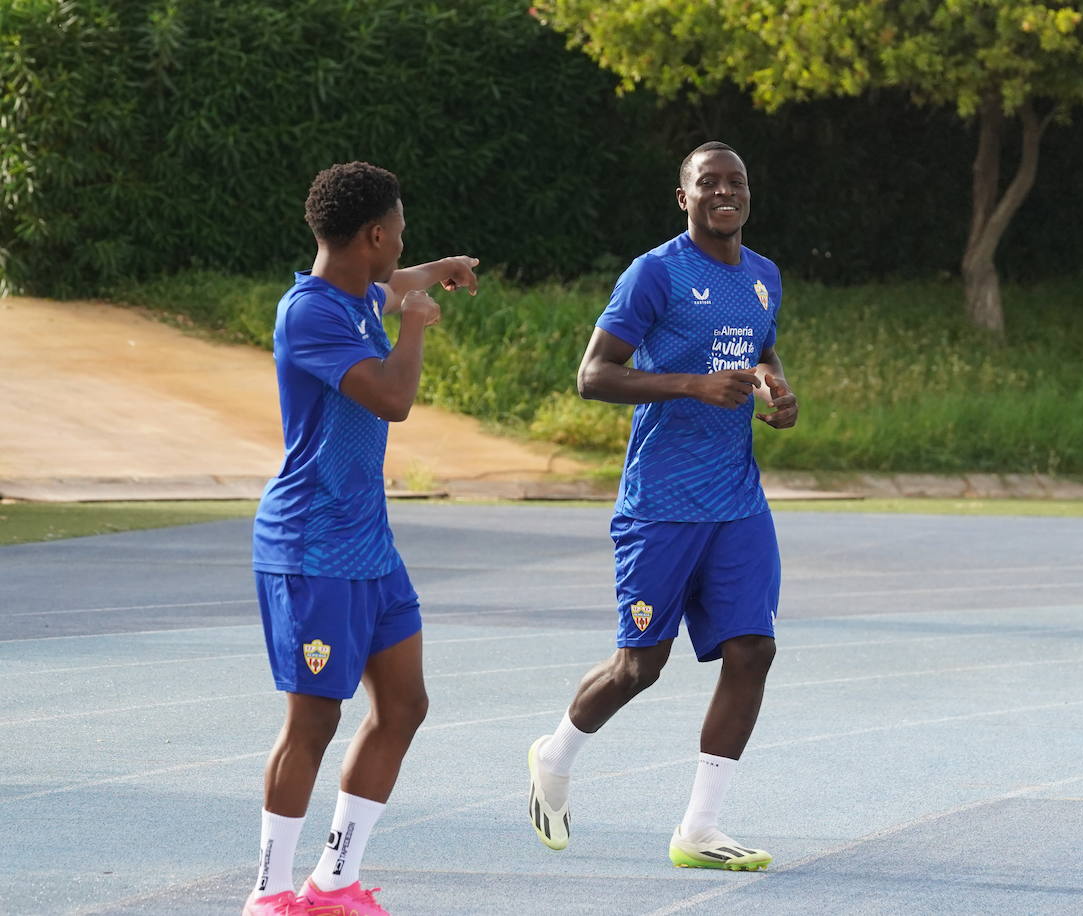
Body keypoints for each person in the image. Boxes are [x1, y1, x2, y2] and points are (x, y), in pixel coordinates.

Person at [526, 141, 798, 871]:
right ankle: (554, 756)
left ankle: (700, 829)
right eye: (707, 183)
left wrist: (778, 390)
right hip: (662, 505)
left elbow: (764, 352)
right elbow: (593, 375)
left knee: (754, 650)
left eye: (734, 181)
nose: (723, 192)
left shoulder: (765, 276)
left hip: (736, 501)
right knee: (639, 667)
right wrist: (690, 385)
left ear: (748, 192)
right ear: (684, 197)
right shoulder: (656, 273)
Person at [244, 161, 478, 916]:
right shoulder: (309, 312)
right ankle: (269, 894)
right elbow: (392, 398)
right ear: (373, 235)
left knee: (404, 705)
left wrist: (428, 272)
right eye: (400, 235)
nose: (404, 247)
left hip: (368, 547)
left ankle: (334, 882)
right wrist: (414, 322)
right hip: (311, 547)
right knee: (314, 718)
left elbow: (388, 280)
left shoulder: (355, 291)